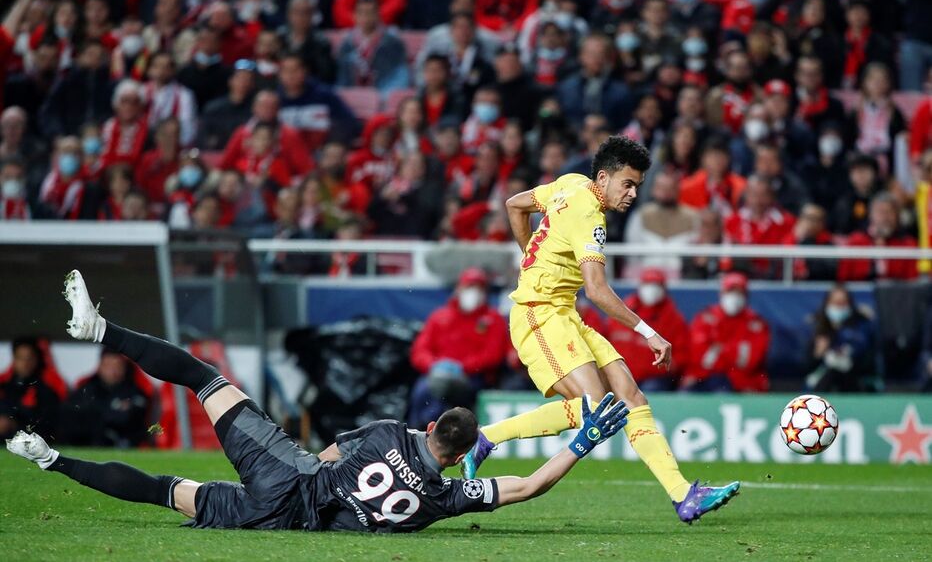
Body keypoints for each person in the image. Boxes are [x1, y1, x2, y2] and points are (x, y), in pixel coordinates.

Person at [7, 270, 630, 533]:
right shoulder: (443, 500)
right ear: (464, 452)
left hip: (288, 475)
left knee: (203, 378)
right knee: (165, 492)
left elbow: (331, 454)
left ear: (434, 421)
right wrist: (581, 443)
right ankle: (51, 460)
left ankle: (100, 330)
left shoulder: (390, 432)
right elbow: (528, 487)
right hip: (279, 520)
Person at [462, 136, 740, 523]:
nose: (633, 194)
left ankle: (683, 495)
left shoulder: (571, 182)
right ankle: (487, 437)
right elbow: (596, 290)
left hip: (564, 313)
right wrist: (648, 331)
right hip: (538, 313)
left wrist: (530, 256)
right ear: (604, 178)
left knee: (631, 398)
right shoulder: (591, 216)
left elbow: (515, 204)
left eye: (637, 186)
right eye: (627, 184)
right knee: (595, 408)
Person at [408, 268, 509, 429]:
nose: (473, 292)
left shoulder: (493, 319)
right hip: (436, 374)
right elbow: (420, 350)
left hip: (473, 378)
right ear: (459, 289)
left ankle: (436, 431)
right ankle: (420, 431)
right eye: (469, 287)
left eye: (479, 288)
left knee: (441, 388)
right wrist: (434, 365)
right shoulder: (439, 317)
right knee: (425, 389)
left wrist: (463, 367)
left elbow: (493, 354)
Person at [683, 272, 770, 392]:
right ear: (722, 294)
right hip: (702, 377)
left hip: (742, 382)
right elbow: (699, 357)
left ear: (746, 296)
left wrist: (718, 349)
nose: (734, 297)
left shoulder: (756, 324)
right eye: (730, 292)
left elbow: (749, 362)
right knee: (685, 394)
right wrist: (735, 351)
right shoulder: (705, 318)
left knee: (722, 391)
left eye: (739, 293)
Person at [603, 269, 688, 391]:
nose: (651, 290)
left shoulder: (673, 318)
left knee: (650, 389)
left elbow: (681, 356)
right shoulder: (623, 312)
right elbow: (604, 341)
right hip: (620, 374)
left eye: (656, 285)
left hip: (653, 378)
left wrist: (665, 368)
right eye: (647, 284)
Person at [59, 349, 153, 447]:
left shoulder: (134, 391)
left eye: (117, 366)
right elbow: (69, 414)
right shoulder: (87, 389)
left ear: (124, 368)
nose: (112, 371)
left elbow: (131, 418)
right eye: (108, 366)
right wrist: (110, 412)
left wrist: (97, 414)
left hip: (124, 444)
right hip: (88, 442)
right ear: (100, 367)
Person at [805, 284, 880, 393]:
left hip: (852, 379)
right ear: (827, 304)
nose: (839, 307)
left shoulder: (861, 326)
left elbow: (870, 360)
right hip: (823, 382)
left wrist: (851, 360)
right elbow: (805, 366)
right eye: (835, 303)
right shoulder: (817, 326)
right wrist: (817, 354)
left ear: (849, 304)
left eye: (842, 303)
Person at [837, 193, 919, 281]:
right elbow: (842, 280)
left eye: (889, 212)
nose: (885, 217)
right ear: (870, 215)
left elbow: (912, 282)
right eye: (880, 212)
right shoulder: (855, 242)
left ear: (897, 216)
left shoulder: (908, 244)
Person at [0, 337, 66, 440]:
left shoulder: (46, 391)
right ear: (14, 359)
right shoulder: (4, 387)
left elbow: (49, 427)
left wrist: (13, 425)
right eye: (20, 358)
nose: (25, 364)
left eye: (29, 358)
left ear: (36, 360)